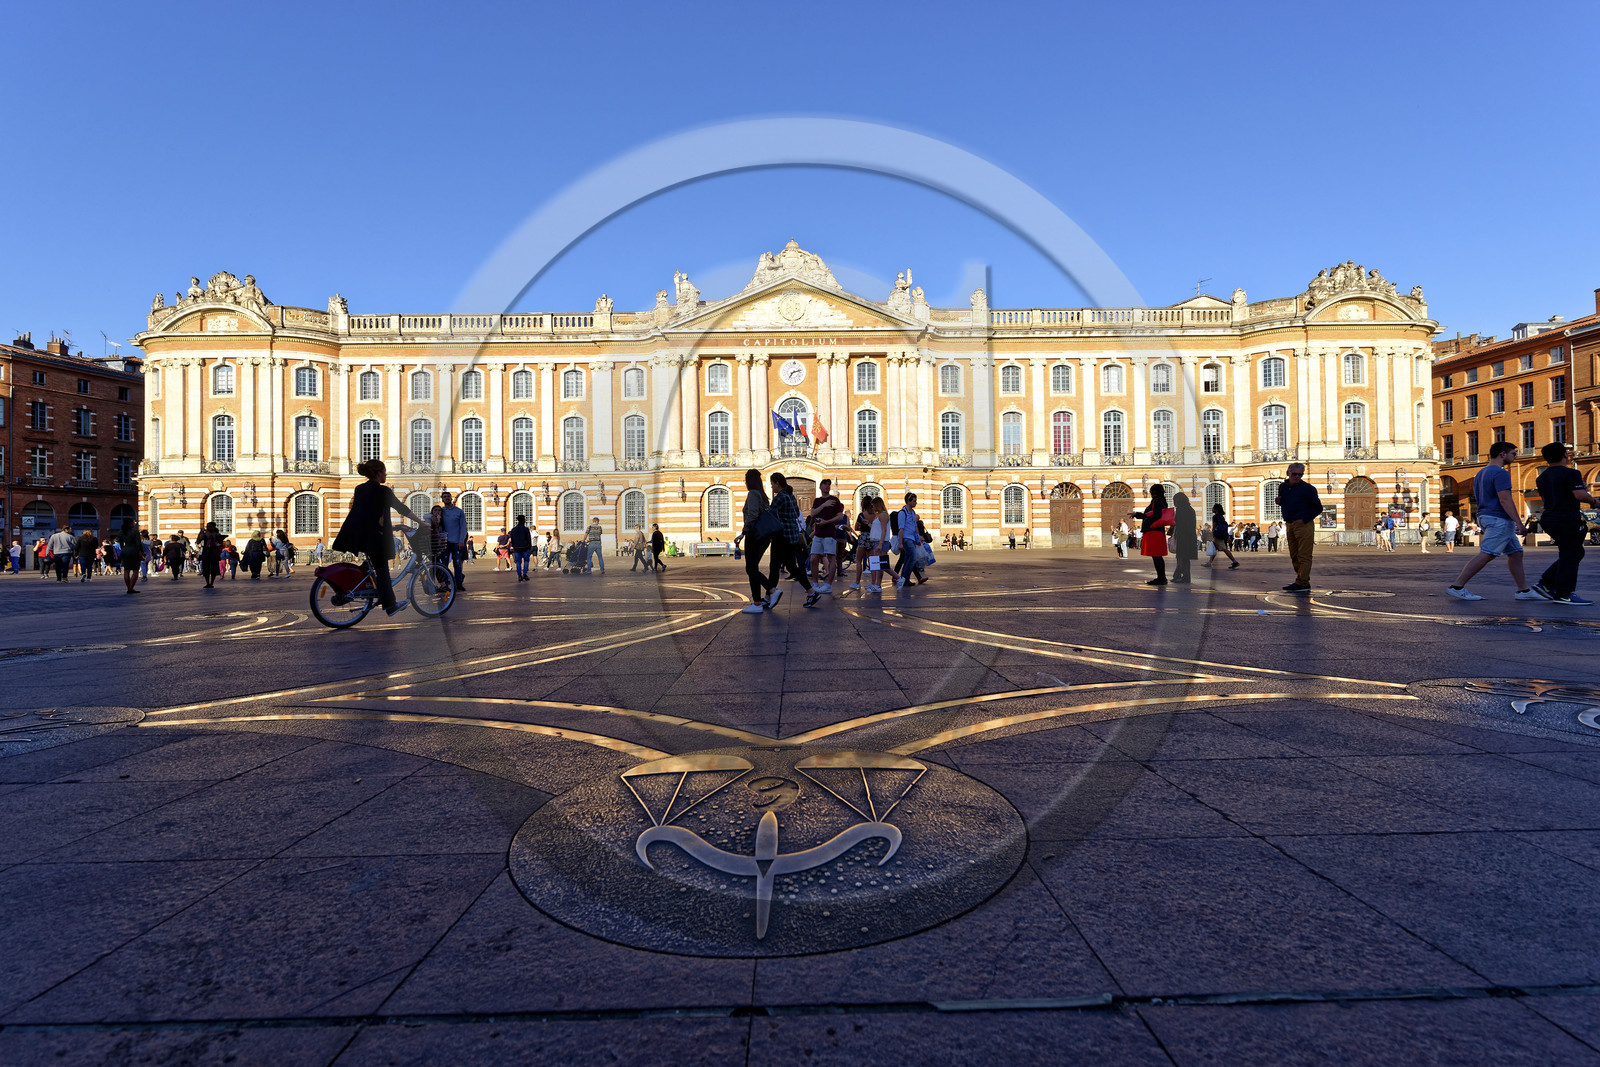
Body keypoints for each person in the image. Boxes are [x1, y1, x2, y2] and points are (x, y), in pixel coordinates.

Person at [1446, 442, 1542, 602]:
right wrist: (1519, 522)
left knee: (1516, 553)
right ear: (1502, 454)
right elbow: (1505, 499)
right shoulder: (1501, 473)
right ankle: (1457, 586)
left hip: (1485, 516)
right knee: (1487, 553)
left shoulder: (1480, 474)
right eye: (1513, 453)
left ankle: (1523, 590)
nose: (1516, 456)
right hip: (1499, 519)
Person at [332, 459, 425, 615]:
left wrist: (392, 526)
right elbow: (401, 508)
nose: (386, 474)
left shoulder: (359, 489)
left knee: (373, 567)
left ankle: (375, 592)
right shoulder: (383, 491)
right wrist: (422, 522)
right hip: (375, 537)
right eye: (384, 471)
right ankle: (390, 605)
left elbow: (368, 513)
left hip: (359, 534)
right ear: (378, 473)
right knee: (382, 571)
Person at [1530, 442, 1597, 605]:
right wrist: (1594, 501)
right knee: (1571, 555)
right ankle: (1563, 593)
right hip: (1566, 517)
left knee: (1573, 553)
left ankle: (1546, 584)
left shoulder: (1541, 477)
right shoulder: (1571, 473)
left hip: (1550, 518)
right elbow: (1580, 495)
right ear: (1565, 455)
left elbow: (1546, 500)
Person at [769, 473, 821, 606]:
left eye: (772, 483)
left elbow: (770, 513)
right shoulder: (791, 496)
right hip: (792, 536)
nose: (772, 486)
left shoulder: (780, 497)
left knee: (774, 566)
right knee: (792, 566)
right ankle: (811, 592)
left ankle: (769, 595)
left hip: (782, 536)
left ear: (777, 483)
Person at [737, 468, 780, 612]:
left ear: (749, 480)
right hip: (763, 537)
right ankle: (758, 601)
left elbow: (753, 514)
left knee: (750, 568)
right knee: (752, 568)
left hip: (754, 535)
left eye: (745, 480)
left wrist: (743, 532)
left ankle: (769, 592)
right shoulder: (762, 495)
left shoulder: (753, 494)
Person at [1276, 463, 1323, 593]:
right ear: (1288, 473)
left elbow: (1318, 508)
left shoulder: (1308, 489)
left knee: (1304, 555)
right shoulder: (1283, 487)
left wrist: (1304, 519)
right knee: (1294, 556)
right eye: (1294, 474)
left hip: (1304, 525)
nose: (1297, 476)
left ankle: (1302, 582)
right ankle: (1302, 580)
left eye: (1300, 474)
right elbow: (1284, 501)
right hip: (1289, 524)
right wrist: (1279, 501)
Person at [807, 478, 844, 593]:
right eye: (825, 484)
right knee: (813, 558)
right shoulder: (817, 500)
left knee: (831, 558)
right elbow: (812, 513)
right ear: (820, 487)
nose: (827, 486)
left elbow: (840, 516)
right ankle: (815, 583)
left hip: (829, 533)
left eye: (829, 485)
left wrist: (826, 522)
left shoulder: (834, 500)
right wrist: (824, 505)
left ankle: (828, 585)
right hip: (818, 533)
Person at [1139, 484, 1175, 586]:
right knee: (1157, 556)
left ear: (1154, 492)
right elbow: (1154, 514)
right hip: (1157, 531)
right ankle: (1161, 578)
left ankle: (1161, 578)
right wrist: (1139, 515)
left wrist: (1146, 520)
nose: (1150, 493)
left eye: (1151, 491)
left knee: (1156, 556)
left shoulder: (1157, 501)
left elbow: (1157, 515)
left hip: (1154, 530)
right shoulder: (1161, 501)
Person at [893, 492, 924, 592]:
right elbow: (901, 528)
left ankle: (904, 579)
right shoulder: (902, 513)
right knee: (913, 557)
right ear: (909, 501)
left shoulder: (912, 513)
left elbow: (915, 526)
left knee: (907, 559)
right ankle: (904, 578)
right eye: (914, 501)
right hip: (906, 538)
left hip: (912, 538)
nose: (916, 503)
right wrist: (900, 542)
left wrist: (918, 537)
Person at [439, 491, 468, 590]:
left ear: (451, 498)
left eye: (448, 496)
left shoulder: (459, 511)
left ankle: (458, 584)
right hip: (444, 543)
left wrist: (461, 541)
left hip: (456, 542)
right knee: (444, 564)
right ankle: (445, 584)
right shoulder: (440, 511)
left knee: (457, 564)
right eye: (445, 497)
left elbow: (463, 527)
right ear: (442, 499)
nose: (447, 498)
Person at [1171, 491, 1197, 583]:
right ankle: (1178, 575)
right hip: (1190, 536)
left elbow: (1176, 523)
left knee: (1182, 557)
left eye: (1174, 500)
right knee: (1184, 557)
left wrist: (1171, 532)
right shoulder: (1190, 509)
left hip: (1183, 536)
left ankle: (1185, 577)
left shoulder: (1180, 510)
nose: (1174, 502)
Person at [1209, 503, 1239, 570]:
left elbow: (1214, 526)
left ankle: (1235, 561)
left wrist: (1212, 533)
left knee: (1224, 548)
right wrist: (1227, 536)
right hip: (1222, 534)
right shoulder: (1221, 517)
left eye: (1213, 508)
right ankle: (1209, 562)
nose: (1212, 509)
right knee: (1214, 548)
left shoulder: (1215, 516)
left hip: (1217, 535)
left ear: (1216, 509)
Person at [117, 520, 143, 594]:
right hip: (134, 550)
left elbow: (121, 544)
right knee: (135, 570)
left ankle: (129, 588)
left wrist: (123, 550)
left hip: (125, 551)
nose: (134, 523)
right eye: (133, 522)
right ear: (131, 524)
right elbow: (138, 544)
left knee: (126, 570)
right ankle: (131, 588)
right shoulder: (135, 532)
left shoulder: (120, 532)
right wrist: (141, 552)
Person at [198, 522, 225, 589]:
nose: (208, 528)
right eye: (207, 526)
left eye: (210, 526)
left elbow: (220, 543)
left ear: (214, 527)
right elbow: (198, 541)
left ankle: (211, 583)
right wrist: (200, 534)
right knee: (206, 568)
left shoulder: (217, 534)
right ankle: (207, 583)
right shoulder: (204, 534)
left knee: (214, 568)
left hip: (214, 553)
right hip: (206, 552)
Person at [508, 515, 535, 581]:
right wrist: (529, 547)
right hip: (525, 548)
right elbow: (529, 539)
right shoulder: (526, 529)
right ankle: (525, 574)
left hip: (517, 548)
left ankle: (519, 575)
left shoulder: (513, 530)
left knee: (518, 562)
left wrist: (514, 547)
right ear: (523, 520)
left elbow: (512, 540)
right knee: (526, 561)